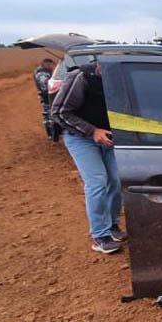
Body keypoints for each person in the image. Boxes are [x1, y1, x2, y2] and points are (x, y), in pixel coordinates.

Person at [51, 59, 127, 254]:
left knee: (115, 181)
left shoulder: (121, 81)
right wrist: (92, 131)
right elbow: (59, 112)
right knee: (97, 181)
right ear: (100, 65)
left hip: (108, 137)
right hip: (81, 138)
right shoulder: (80, 78)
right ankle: (100, 235)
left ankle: (112, 226)